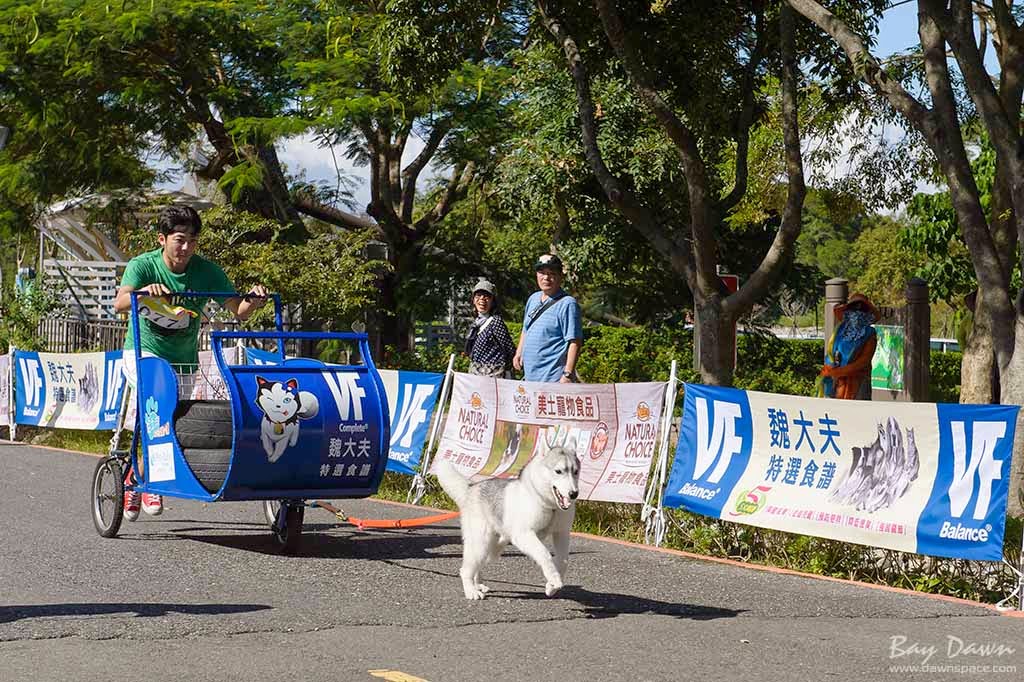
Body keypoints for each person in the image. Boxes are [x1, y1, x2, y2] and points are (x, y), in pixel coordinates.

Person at [113, 205, 269, 520]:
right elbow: (119, 303)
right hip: (142, 352)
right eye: (179, 240)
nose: (186, 248)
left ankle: (136, 475)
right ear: (163, 239)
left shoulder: (206, 270)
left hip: (182, 359)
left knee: (176, 417)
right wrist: (144, 293)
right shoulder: (143, 266)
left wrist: (254, 298)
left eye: (192, 241)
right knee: (157, 404)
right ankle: (152, 480)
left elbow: (238, 309)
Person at [513, 254, 583, 383]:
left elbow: (575, 341)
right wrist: (519, 352)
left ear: (560, 276)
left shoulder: (567, 304)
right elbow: (526, 329)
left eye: (551, 273)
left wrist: (567, 374)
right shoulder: (533, 299)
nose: (546, 278)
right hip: (530, 376)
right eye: (542, 273)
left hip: (553, 379)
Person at [820, 293, 879, 400]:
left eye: (862, 308)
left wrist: (840, 371)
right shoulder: (840, 330)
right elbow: (831, 352)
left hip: (857, 382)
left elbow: (863, 361)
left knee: (857, 412)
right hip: (835, 382)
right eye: (853, 308)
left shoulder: (869, 333)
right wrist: (829, 370)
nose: (857, 312)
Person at [465, 278, 516, 378]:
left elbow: (509, 348)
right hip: (475, 375)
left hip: (493, 377)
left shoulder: (495, 322)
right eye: (478, 295)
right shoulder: (475, 323)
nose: (482, 299)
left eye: (487, 296)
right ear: (473, 300)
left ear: (493, 301)